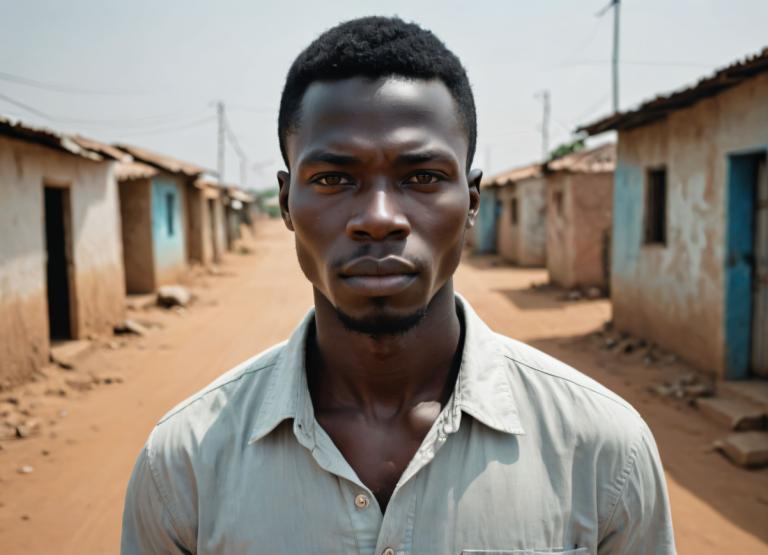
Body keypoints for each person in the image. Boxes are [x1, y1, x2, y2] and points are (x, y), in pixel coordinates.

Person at [122, 16, 675, 555]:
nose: (380, 217)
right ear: (287, 202)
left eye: (423, 178)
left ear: (472, 201)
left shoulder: (604, 450)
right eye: (334, 178)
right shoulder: (183, 464)